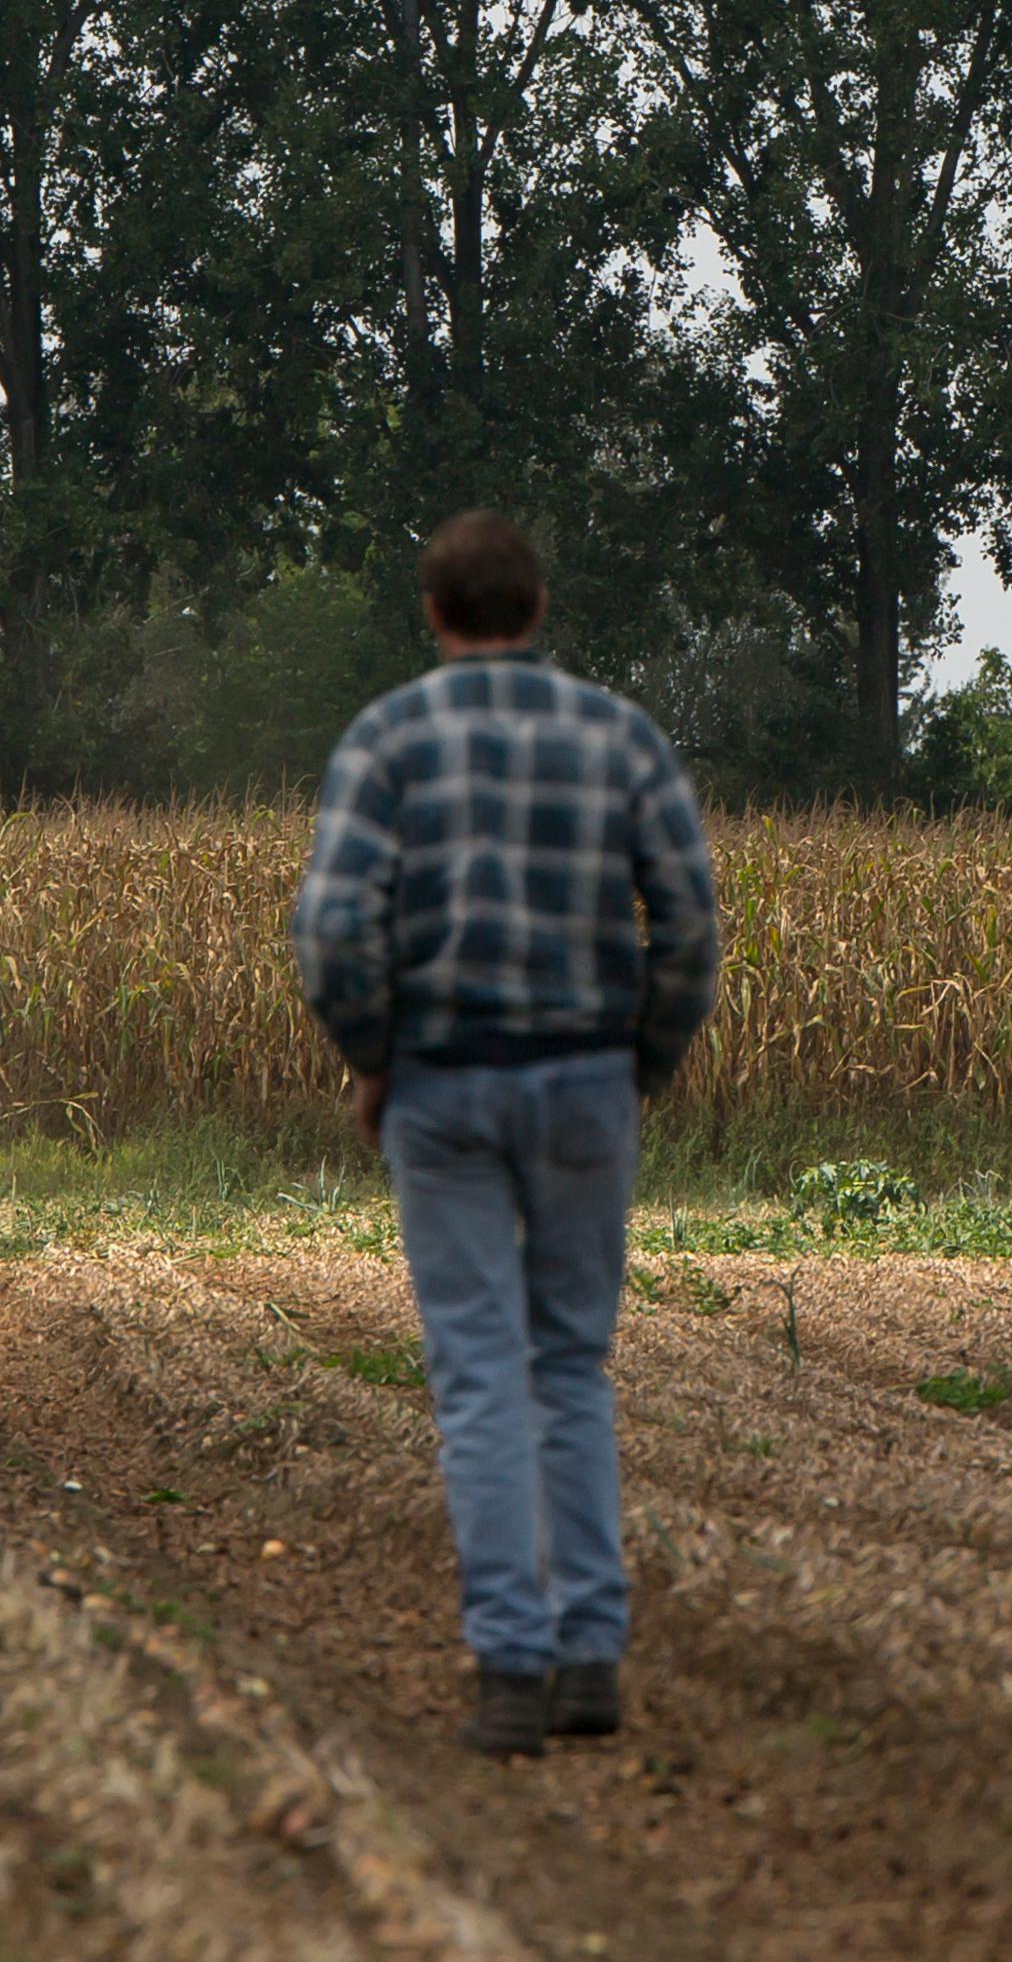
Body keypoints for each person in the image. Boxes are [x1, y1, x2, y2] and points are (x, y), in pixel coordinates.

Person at [288, 511, 721, 1758]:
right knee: (568, 1366)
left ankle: (512, 1674)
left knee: (478, 1375)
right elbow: (688, 924)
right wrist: (646, 1061)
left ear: (435, 613)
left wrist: (376, 1061)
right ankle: (594, 1656)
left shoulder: (389, 739)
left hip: (446, 1087)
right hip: (585, 1078)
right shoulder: (618, 736)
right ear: (537, 608)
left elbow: (331, 931)